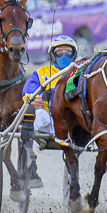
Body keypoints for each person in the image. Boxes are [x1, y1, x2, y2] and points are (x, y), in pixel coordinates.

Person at [16, 35, 79, 192]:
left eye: (68, 53)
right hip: (47, 119)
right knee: (34, 116)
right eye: (59, 52)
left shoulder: (79, 74)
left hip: (70, 123)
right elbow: (29, 99)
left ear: (73, 55)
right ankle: (29, 158)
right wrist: (42, 97)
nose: (64, 56)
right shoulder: (41, 73)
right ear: (52, 55)